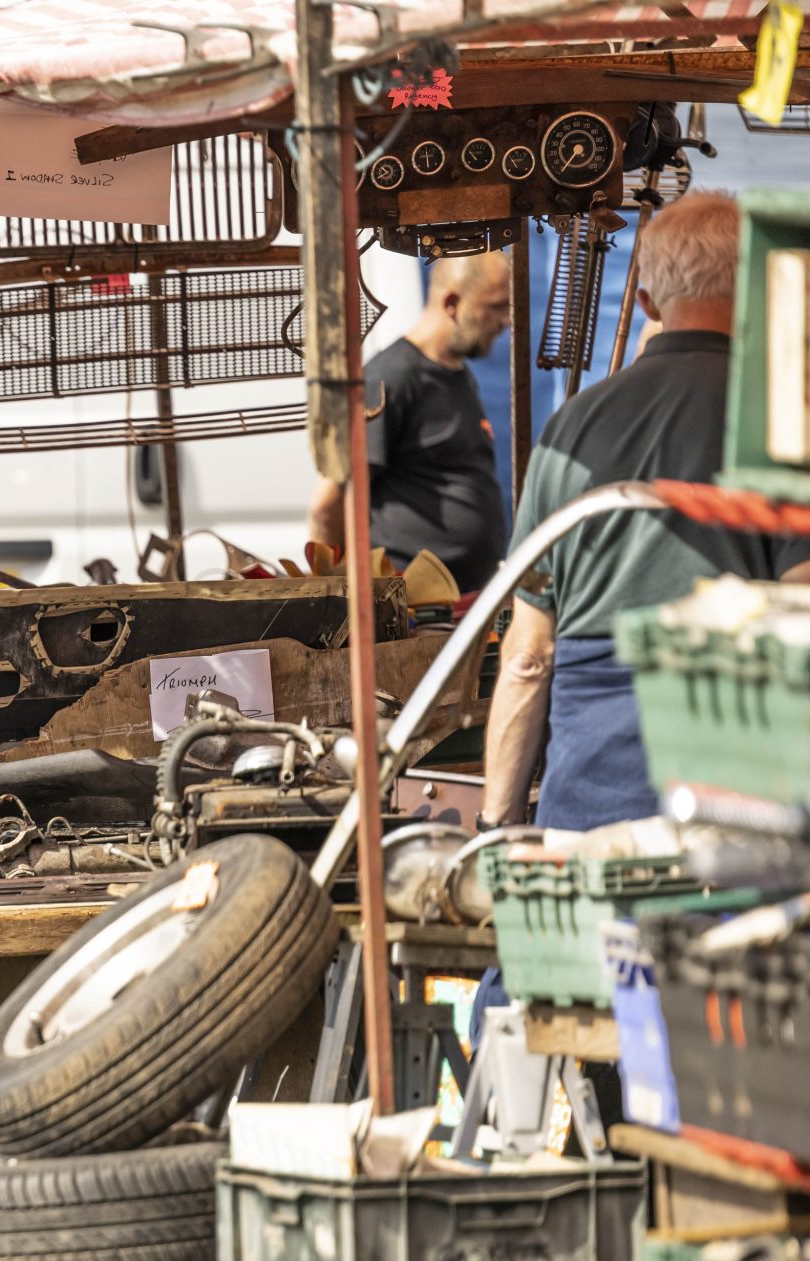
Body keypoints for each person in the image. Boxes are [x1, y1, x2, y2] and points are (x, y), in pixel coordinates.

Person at [483, 191, 810, 831]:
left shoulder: (567, 430)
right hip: (742, 801)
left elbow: (527, 656)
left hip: (592, 800)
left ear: (647, 304)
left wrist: (494, 823)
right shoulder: (782, 424)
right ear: (760, 288)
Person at [308, 251, 514, 595]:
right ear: (452, 303)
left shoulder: (457, 372)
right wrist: (336, 600)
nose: (506, 321)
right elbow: (326, 506)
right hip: (412, 608)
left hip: (465, 599)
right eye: (495, 306)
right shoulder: (391, 378)